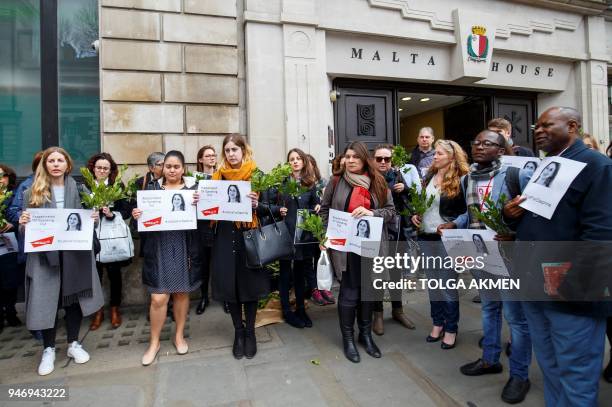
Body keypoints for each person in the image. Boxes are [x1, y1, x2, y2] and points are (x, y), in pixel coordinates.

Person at [504, 107, 612, 406]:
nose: (537, 130)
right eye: (535, 125)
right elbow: (539, 221)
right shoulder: (545, 166)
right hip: (534, 285)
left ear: (573, 126)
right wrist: (511, 216)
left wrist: (571, 286)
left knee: (576, 374)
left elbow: (601, 234)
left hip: (571, 292)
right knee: (549, 367)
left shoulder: (596, 165)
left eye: (546, 125)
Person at [438, 129, 533, 404]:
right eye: (476, 142)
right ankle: (490, 359)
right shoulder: (469, 178)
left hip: (510, 256)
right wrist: (454, 224)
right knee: (490, 308)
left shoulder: (516, 175)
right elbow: (470, 214)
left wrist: (514, 232)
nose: (479, 146)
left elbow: (535, 213)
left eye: (487, 143)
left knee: (516, 318)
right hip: (480, 252)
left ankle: (520, 375)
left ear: (501, 150)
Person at [19, 147, 104, 376]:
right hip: (45, 256)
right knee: (48, 301)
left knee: (74, 299)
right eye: (51, 161)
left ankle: (74, 343)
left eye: (60, 160)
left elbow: (88, 222)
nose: (56, 164)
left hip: (74, 254)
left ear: (67, 164)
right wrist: (24, 222)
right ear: (45, 165)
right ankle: (48, 349)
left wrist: (93, 218)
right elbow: (27, 231)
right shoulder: (31, 193)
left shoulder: (80, 188)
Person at [320, 141, 395, 363]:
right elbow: (325, 210)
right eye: (348, 156)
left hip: (369, 245)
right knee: (349, 292)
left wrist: (372, 213)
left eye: (355, 157)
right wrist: (324, 235)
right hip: (344, 247)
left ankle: (365, 335)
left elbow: (391, 212)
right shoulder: (336, 181)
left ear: (364, 160)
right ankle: (348, 339)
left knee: (367, 291)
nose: (350, 160)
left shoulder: (378, 182)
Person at [132, 150, 202, 366]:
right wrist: (137, 217)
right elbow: (138, 228)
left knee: (181, 293)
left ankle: (178, 335)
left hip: (183, 246)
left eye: (176, 166)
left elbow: (204, 223)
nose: (172, 170)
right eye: (168, 166)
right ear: (162, 168)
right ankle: (154, 342)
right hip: (159, 247)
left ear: (183, 168)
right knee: (158, 298)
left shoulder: (193, 191)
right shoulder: (151, 190)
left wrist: (201, 205)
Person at [210, 134, 269, 360]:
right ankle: (238, 332)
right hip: (225, 237)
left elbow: (272, 207)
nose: (231, 154)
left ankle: (250, 332)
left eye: (235, 149)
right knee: (230, 287)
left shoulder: (257, 175)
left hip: (249, 235)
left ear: (244, 150)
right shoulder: (217, 178)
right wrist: (200, 201)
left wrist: (258, 204)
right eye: (227, 150)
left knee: (250, 286)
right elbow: (208, 211)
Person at [411, 140, 468, 350]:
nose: (435, 157)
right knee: (433, 285)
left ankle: (451, 328)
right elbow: (425, 205)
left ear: (452, 157)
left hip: (448, 239)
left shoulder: (462, 179)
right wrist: (416, 216)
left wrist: (454, 223)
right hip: (426, 236)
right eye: (435, 153)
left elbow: (468, 211)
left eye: (440, 154)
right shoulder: (428, 177)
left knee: (447, 286)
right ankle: (437, 323)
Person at [371, 144, 416, 334]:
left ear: (391, 161)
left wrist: (405, 188)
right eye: (379, 159)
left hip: (396, 229)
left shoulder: (397, 175)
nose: (383, 162)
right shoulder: (368, 178)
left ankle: (398, 310)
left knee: (396, 271)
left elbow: (411, 198)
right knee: (377, 272)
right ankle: (378, 314)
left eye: (386, 159)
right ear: (373, 160)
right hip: (375, 229)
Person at [86, 152, 133, 331]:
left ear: (110, 170)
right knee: (95, 276)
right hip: (91, 237)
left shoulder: (117, 186)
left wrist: (111, 214)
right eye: (99, 167)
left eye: (106, 168)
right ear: (93, 169)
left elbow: (127, 210)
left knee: (114, 275)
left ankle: (115, 309)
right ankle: (97, 311)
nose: (102, 171)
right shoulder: (85, 187)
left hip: (112, 238)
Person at [275, 148, 320, 328]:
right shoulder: (282, 183)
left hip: (303, 235)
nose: (295, 162)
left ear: (303, 162)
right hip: (285, 234)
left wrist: (317, 206)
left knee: (300, 275)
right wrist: (278, 209)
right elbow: (270, 205)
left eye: (298, 158)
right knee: (285, 274)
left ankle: (301, 309)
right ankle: (287, 311)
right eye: (291, 159)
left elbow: (316, 202)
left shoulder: (310, 183)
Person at [6, 152, 43, 340]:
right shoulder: (27, 185)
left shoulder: (59, 186)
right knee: (34, 287)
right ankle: (36, 328)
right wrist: (21, 216)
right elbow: (11, 212)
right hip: (32, 246)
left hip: (51, 246)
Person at [305, 154, 335, 306]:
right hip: (307, 226)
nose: (308, 166)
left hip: (321, 225)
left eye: (310, 163)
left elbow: (329, 201)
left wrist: (322, 202)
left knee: (321, 257)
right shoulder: (302, 183)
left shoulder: (322, 182)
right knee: (309, 259)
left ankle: (324, 287)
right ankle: (313, 288)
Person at [194, 145, 216, 315]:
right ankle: (203, 297)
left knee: (220, 264)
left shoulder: (222, 176)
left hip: (219, 226)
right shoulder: (193, 180)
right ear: (200, 159)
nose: (212, 158)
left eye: (213, 155)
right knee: (203, 265)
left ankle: (224, 298)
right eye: (208, 155)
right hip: (201, 227)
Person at [0, 164, 22, 332]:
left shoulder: (15, 196)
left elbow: (20, 215)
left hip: (10, 244)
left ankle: (11, 310)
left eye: (3, 176)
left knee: (10, 280)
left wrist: (12, 223)